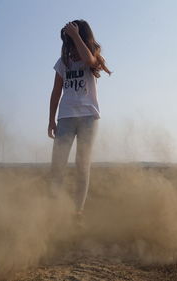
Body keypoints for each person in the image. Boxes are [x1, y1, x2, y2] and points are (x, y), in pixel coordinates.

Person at [47, 19, 111, 221]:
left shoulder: (92, 58)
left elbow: (90, 61)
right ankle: (53, 208)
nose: (69, 44)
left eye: (73, 38)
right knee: (57, 164)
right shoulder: (63, 62)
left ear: (82, 36)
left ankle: (77, 212)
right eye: (67, 40)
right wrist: (51, 120)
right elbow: (56, 92)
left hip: (88, 117)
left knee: (82, 164)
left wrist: (76, 35)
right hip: (65, 117)